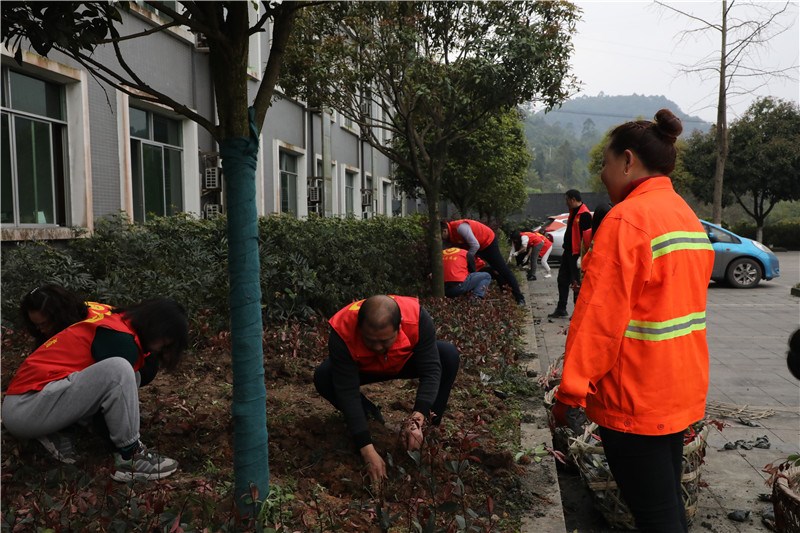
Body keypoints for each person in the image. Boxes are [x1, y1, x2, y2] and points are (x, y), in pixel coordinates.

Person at [552, 109, 715, 532]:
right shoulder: (684, 215)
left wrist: (570, 391)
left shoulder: (627, 219)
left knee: (655, 514)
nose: (602, 174)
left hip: (636, 396)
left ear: (627, 161)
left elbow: (598, 320)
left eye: (605, 163)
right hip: (677, 386)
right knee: (665, 502)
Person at [2, 298, 189, 481]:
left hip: (33, 398)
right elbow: (109, 397)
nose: (162, 350)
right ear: (158, 329)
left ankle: (62, 428)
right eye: (166, 343)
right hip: (26, 407)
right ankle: (130, 458)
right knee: (119, 370)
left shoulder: (117, 320)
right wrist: (119, 443)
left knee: (131, 375)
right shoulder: (123, 341)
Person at [313, 295, 460, 486]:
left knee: (448, 355)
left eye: (384, 341)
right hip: (363, 368)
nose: (377, 347)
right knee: (324, 376)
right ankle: (370, 417)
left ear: (399, 327)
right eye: (370, 340)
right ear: (359, 328)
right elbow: (347, 391)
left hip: (403, 361)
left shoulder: (417, 319)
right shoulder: (342, 330)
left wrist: (419, 418)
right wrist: (366, 449)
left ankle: (427, 430)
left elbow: (431, 370)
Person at [441, 218, 526, 306]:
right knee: (479, 270)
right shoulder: (449, 236)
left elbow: (475, 245)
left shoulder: (460, 227)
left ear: (444, 231)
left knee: (502, 269)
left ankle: (519, 298)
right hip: (473, 247)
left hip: (487, 242)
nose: (442, 240)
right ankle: (501, 294)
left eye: (441, 237)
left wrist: (467, 259)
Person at [20, 284, 113, 346]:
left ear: (59, 317)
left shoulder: (94, 332)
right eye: (36, 325)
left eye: (44, 324)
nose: (41, 330)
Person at [548, 190, 592, 318]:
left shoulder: (584, 215)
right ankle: (561, 308)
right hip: (568, 252)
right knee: (562, 279)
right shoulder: (573, 212)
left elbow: (586, 237)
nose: (566, 202)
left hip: (576, 254)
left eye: (567, 199)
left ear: (572, 199)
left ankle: (578, 313)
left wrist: (582, 256)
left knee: (576, 283)